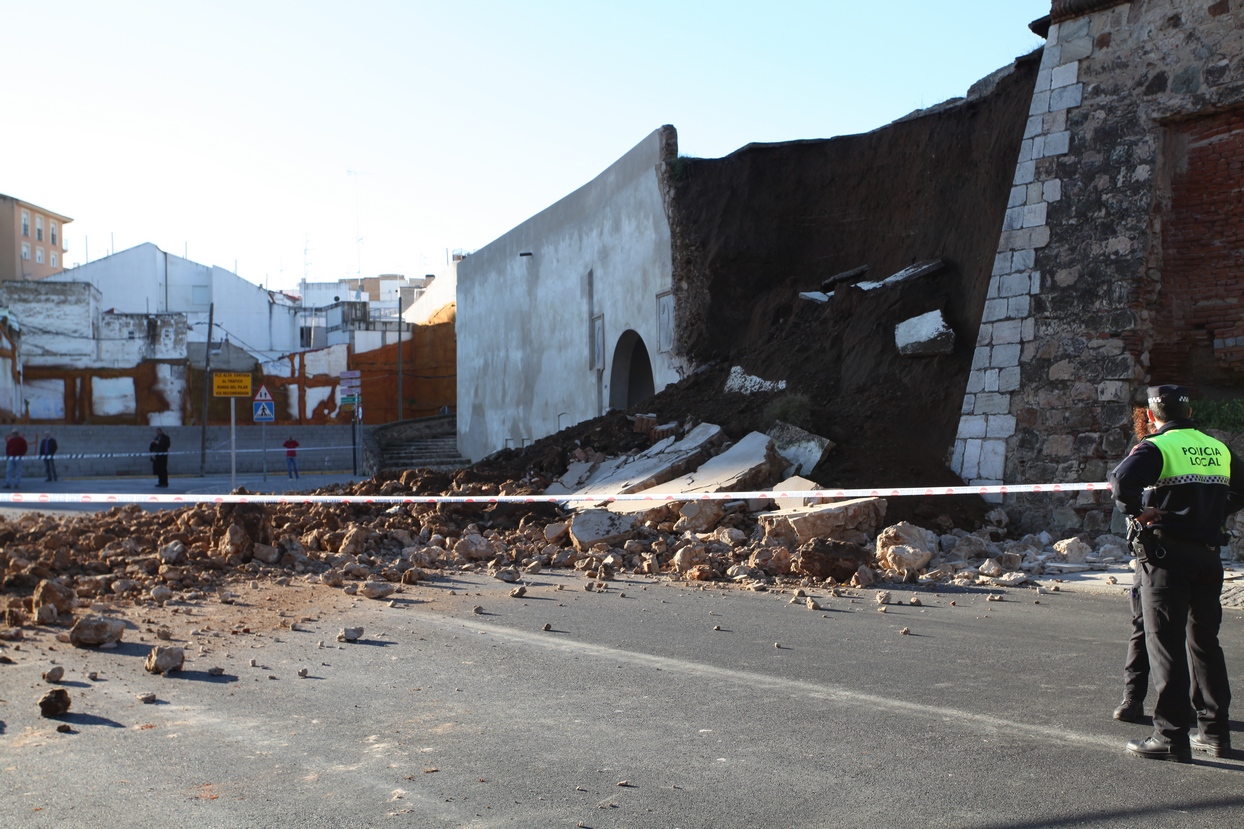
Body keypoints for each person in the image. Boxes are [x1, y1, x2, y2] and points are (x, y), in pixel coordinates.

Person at [1110, 385, 1244, 762]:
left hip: (1167, 558)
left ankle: (1170, 736)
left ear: (1153, 417)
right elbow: (1242, 490)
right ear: (1188, 413)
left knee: (1165, 644)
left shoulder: (1158, 447)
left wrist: (1138, 512)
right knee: (1205, 645)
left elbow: (1122, 482)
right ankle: (1215, 734)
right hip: (1208, 558)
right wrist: (1213, 513)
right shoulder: (1217, 448)